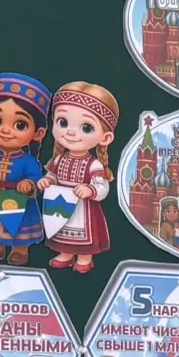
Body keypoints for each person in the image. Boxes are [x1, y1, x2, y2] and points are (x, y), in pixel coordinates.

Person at [39, 82, 118, 274]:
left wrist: (90, 190)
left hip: (84, 207)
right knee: (61, 228)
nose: (71, 132)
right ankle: (65, 254)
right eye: (63, 122)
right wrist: (47, 181)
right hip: (60, 204)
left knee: (84, 234)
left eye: (86, 127)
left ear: (105, 137)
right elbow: (52, 175)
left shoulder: (94, 165)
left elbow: (102, 187)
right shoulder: (59, 159)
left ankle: (85, 258)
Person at [0, 73, 50, 263]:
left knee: (19, 227)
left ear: (38, 133)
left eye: (20, 125)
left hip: (19, 201)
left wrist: (29, 183)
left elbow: (35, 176)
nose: (6, 130)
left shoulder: (28, 161)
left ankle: (20, 251)